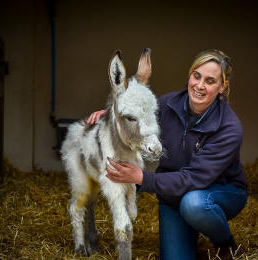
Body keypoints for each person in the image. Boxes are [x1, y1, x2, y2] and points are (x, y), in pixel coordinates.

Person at [87, 50, 248, 260]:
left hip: (218, 191)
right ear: (190, 75)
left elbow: (194, 179)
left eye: (210, 81)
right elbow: (137, 115)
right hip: (172, 196)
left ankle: (225, 246)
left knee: (194, 204)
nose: (199, 86)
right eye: (196, 76)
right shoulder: (167, 104)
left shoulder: (229, 128)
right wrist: (111, 116)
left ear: (222, 88)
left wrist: (142, 179)